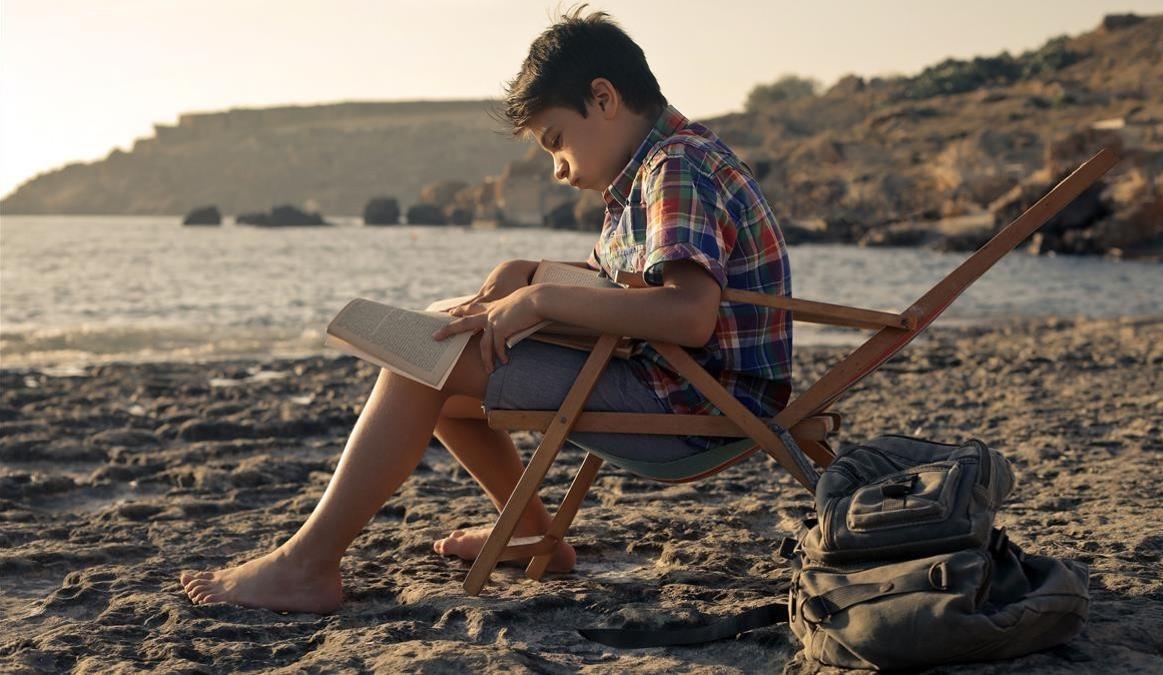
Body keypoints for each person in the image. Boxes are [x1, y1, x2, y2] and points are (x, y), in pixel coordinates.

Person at [180, 5, 793, 613]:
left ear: (603, 99)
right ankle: (532, 535)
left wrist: (543, 297)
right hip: (677, 383)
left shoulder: (675, 168)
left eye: (556, 141)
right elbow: (627, 286)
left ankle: (307, 566)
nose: (557, 169)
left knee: (427, 352)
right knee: (442, 333)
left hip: (692, 403)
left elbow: (689, 315)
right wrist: (526, 274)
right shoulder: (655, 169)